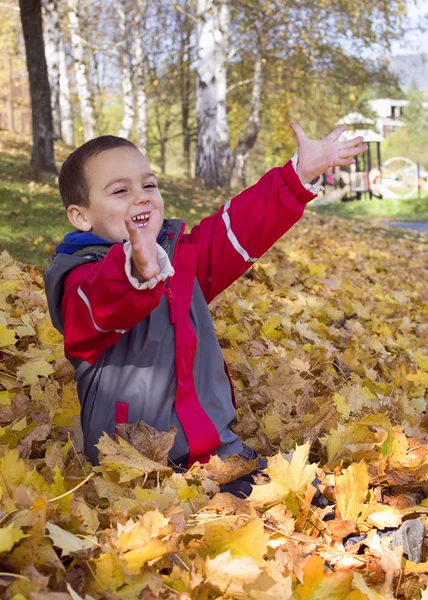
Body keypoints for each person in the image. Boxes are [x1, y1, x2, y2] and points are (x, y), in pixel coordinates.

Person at [44, 123, 366, 473]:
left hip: (212, 445)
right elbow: (96, 306)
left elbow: (237, 229)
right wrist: (135, 269)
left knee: (297, 495)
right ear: (81, 216)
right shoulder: (79, 278)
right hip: (134, 458)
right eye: (120, 191)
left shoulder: (177, 257)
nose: (142, 196)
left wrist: (297, 176)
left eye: (149, 184)